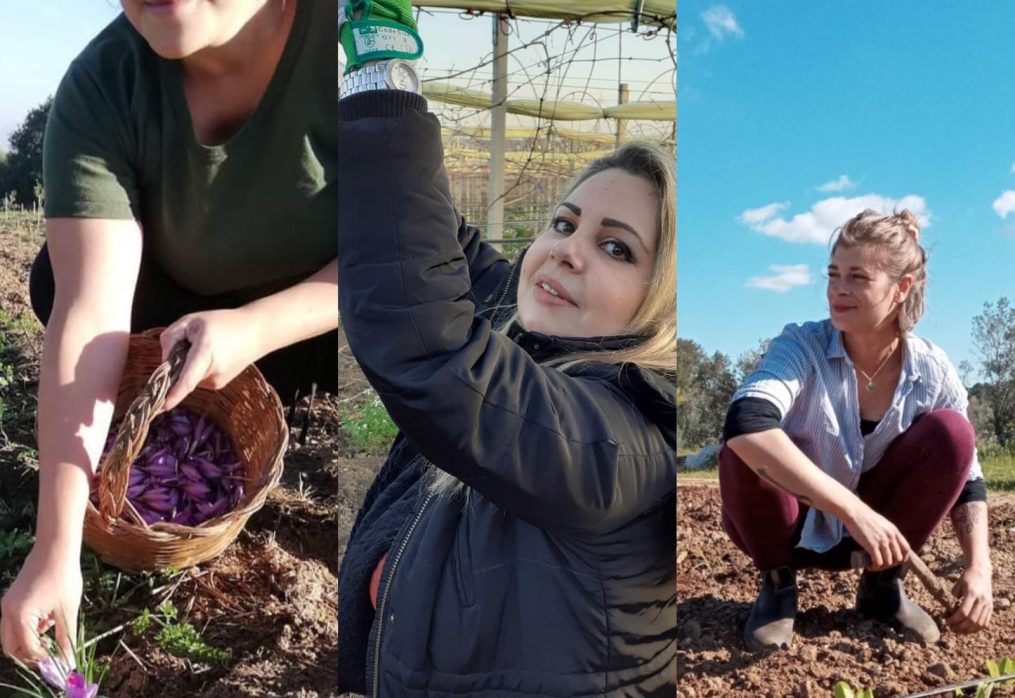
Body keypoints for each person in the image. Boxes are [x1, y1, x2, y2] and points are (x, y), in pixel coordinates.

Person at [335, 4, 677, 695]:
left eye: (615, 247)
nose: (565, 251)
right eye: (563, 222)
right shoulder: (536, 332)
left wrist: (381, 58)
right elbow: (435, 243)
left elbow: (430, 348)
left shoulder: (622, 445)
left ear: (668, 299)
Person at [1, 0, 337, 665]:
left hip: (315, 322)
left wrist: (255, 327)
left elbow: (395, 252)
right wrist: (56, 545)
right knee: (54, 277)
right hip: (175, 312)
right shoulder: (106, 80)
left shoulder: (357, 38)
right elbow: (91, 309)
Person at [720, 209, 993, 652]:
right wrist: (853, 511)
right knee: (746, 450)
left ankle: (882, 587)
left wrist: (979, 567)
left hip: (877, 542)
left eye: (858, 277)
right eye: (833, 274)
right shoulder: (801, 345)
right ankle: (778, 587)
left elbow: (970, 479)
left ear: (901, 288)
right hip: (789, 527)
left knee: (953, 433)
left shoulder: (932, 369)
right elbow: (746, 422)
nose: (838, 290)